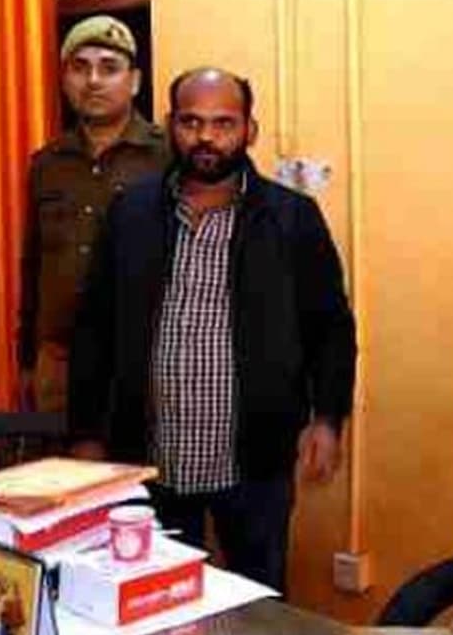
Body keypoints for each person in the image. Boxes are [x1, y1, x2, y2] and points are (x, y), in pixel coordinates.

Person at [68, 68, 357, 591]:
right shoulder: (132, 212)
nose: (206, 137)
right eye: (191, 122)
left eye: (223, 123)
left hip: (254, 460)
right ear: (170, 126)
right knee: (154, 600)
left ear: (250, 130)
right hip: (150, 458)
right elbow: (94, 329)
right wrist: (87, 435)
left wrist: (328, 418)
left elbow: (330, 327)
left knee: (258, 600)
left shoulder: (291, 218)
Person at [18, 15, 167, 413]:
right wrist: (28, 361)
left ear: (134, 81)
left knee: (146, 455)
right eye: (80, 67)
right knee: (60, 455)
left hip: (146, 360)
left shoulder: (168, 157)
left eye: (109, 67)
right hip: (60, 364)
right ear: (64, 80)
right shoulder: (47, 164)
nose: (94, 81)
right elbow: (34, 266)